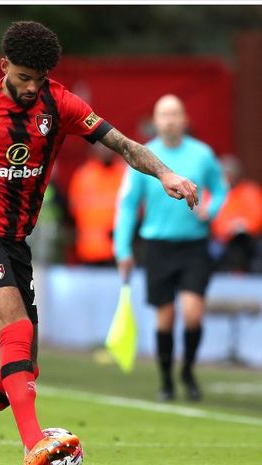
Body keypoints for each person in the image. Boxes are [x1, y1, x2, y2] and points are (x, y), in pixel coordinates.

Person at [0, 22, 199, 465]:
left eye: (40, 78)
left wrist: (166, 173)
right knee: (15, 329)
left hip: (15, 242)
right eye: (23, 78)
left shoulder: (62, 103)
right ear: (3, 67)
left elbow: (124, 145)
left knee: (22, 367)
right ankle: (35, 443)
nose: (32, 87)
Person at [114, 94, 228, 402]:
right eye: (164, 114)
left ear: (185, 119)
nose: (170, 119)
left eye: (175, 113)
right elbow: (127, 205)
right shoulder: (143, 156)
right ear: (156, 120)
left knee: (192, 314)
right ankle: (166, 381)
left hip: (194, 246)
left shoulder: (202, 155)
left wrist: (212, 209)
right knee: (165, 317)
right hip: (158, 246)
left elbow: (220, 190)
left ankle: (188, 371)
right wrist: (122, 248)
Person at [68, 143, 125, 266]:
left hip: (118, 251)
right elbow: (73, 210)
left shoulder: (123, 174)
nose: (104, 151)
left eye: (107, 147)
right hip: (88, 251)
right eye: (101, 147)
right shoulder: (83, 176)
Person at [210, 155, 262, 273]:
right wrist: (227, 228)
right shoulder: (216, 193)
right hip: (223, 239)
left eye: (231, 173)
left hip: (249, 237)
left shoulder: (251, 190)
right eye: (225, 173)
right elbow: (213, 217)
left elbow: (258, 214)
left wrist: (245, 225)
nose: (228, 176)